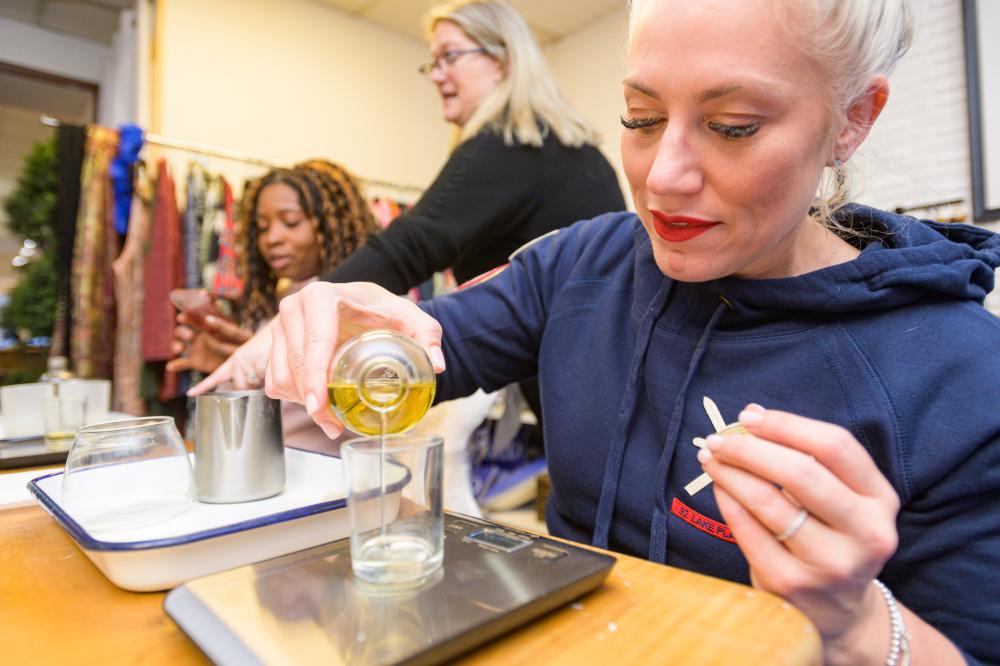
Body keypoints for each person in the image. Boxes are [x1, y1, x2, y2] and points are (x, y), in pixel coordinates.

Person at [261, 0, 1000, 663]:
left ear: (853, 118)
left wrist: (857, 626)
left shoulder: (959, 372)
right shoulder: (582, 264)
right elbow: (406, 361)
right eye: (640, 118)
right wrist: (341, 332)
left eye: (732, 126)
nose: (662, 177)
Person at [191, 0, 624, 401]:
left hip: (587, 383)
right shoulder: (566, 150)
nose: (436, 74)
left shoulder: (512, 144)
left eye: (450, 56)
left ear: (503, 58)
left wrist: (283, 331)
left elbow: (408, 246)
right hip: (597, 369)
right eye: (432, 62)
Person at [168, 159, 379, 448]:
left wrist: (260, 363)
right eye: (262, 228)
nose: (272, 238)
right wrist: (226, 362)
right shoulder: (271, 302)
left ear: (332, 225)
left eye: (291, 222)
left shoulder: (364, 302)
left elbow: (369, 389)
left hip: (331, 473)